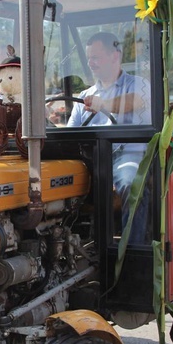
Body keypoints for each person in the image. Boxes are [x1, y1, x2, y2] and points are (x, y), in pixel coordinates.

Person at [66, 31, 152, 244]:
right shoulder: (86, 96)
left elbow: (135, 101)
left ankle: (132, 254)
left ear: (115, 56)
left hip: (128, 156)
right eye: (88, 58)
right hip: (93, 162)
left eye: (96, 57)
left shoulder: (138, 85)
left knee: (130, 183)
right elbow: (70, 134)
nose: (91, 63)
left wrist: (103, 104)